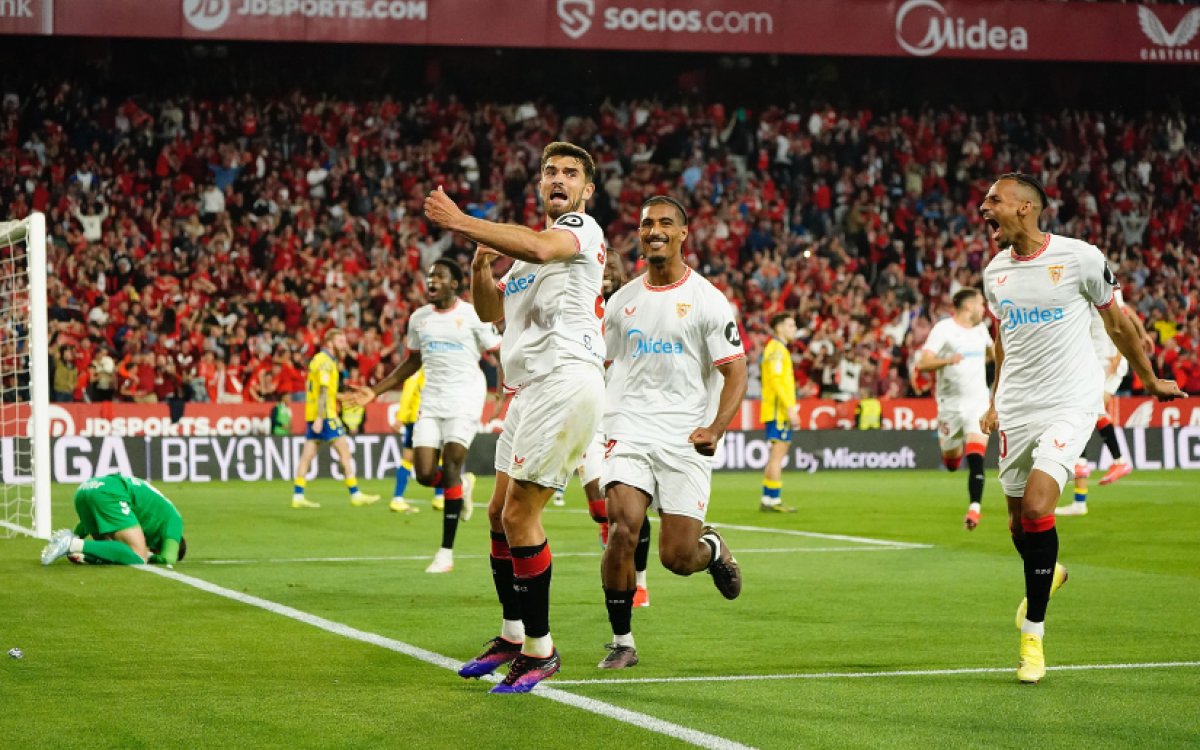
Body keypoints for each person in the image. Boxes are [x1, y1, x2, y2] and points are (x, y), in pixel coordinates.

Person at [977, 173, 1183, 684]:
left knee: (1038, 505)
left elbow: (1118, 323)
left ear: (1025, 207)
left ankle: (1033, 637)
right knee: (1018, 526)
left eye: (994, 200)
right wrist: (995, 399)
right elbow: (1003, 340)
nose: (984, 208)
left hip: (1071, 401)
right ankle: (1051, 574)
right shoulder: (994, 272)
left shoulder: (1080, 257)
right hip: (1017, 407)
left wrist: (1149, 379)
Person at [428, 141, 607, 693]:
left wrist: (462, 222)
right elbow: (489, 310)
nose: (558, 179)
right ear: (539, 184)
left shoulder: (578, 230)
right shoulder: (527, 260)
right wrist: (480, 265)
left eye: (570, 173)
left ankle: (540, 649)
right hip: (528, 391)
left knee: (521, 516)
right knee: (497, 515)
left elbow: (536, 243)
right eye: (550, 171)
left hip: (565, 379)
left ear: (586, 190)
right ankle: (511, 635)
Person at [595, 195, 748, 670]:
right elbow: (602, 365)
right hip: (628, 428)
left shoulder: (707, 299)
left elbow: (736, 372)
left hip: (685, 436)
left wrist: (716, 428)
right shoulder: (621, 303)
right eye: (646, 224)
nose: (654, 230)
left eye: (665, 223)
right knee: (622, 527)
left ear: (683, 233)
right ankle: (622, 641)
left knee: (678, 558)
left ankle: (712, 547)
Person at [347, 258, 497, 573]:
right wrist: (374, 391)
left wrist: (507, 389)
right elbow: (412, 362)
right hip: (432, 400)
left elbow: (499, 350)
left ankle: (445, 553)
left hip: (465, 397)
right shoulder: (419, 319)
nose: (432, 281)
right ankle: (461, 486)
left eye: (439, 276)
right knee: (425, 474)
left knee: (452, 461)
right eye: (430, 276)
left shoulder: (473, 315)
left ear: (455, 283)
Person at [1059, 288, 1152, 515]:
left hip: (1107, 360)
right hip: (1093, 360)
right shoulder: (1091, 285)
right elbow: (1127, 310)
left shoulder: (1102, 283)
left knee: (1088, 411)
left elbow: (1121, 319)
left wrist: (1120, 354)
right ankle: (1080, 499)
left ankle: (1118, 461)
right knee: (1084, 414)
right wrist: (1144, 334)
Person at [916, 288, 993, 530]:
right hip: (949, 406)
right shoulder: (943, 329)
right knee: (951, 463)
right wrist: (948, 360)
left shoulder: (981, 330)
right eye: (981, 304)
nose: (984, 309)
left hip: (978, 403)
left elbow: (992, 353)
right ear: (968, 306)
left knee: (976, 456)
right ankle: (952, 455)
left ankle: (974, 509)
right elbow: (923, 363)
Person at [290, 328, 380, 509]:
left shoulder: (321, 359)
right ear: (330, 343)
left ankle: (298, 496)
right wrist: (320, 418)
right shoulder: (326, 362)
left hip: (314, 413)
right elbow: (323, 391)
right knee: (344, 452)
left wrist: (343, 397)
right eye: (340, 341)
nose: (344, 344)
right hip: (325, 415)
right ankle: (355, 494)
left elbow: (325, 391)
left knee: (307, 455)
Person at [41, 474, 186, 567]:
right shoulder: (175, 521)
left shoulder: (155, 516)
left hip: (86, 489)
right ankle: (72, 544)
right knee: (138, 556)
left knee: (116, 550)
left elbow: (98, 517)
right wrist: (151, 556)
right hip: (110, 493)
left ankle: (79, 551)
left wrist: (76, 534)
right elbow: (169, 558)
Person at [759, 312, 800, 513]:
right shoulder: (776, 350)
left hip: (776, 410)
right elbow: (775, 381)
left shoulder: (777, 349)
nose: (794, 329)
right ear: (779, 328)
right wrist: (790, 408)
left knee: (775, 456)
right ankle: (774, 500)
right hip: (779, 412)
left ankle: (768, 498)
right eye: (790, 325)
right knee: (778, 456)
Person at [387, 367, 437, 514]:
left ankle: (397, 498)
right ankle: (440, 497)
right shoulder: (419, 372)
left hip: (418, 419)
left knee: (408, 459)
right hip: (420, 419)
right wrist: (400, 418)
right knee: (437, 455)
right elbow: (408, 393)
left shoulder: (426, 370)